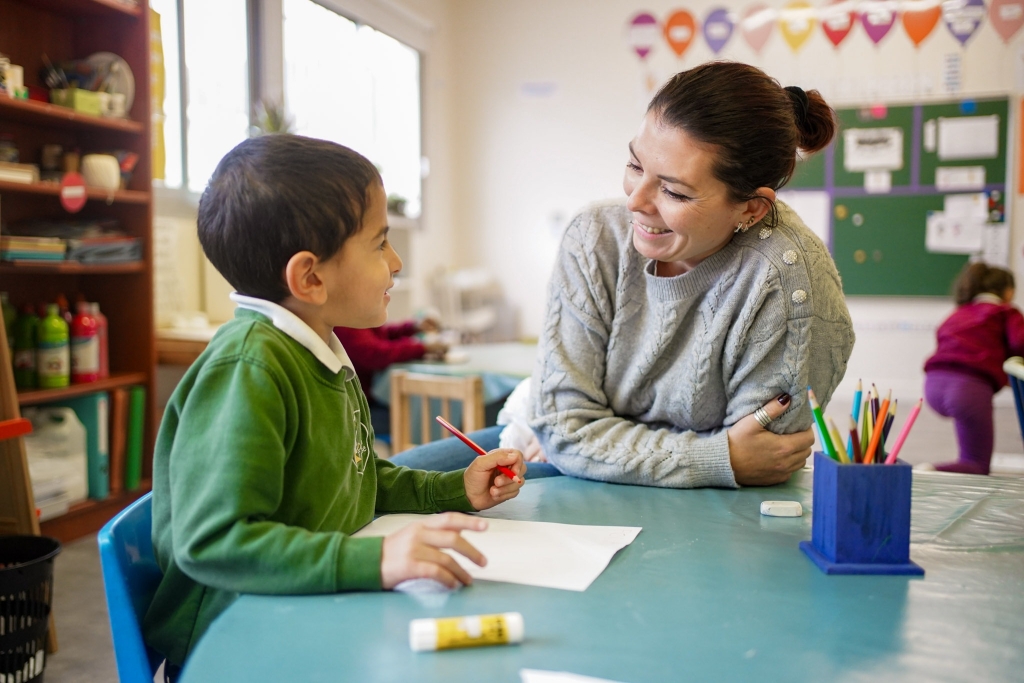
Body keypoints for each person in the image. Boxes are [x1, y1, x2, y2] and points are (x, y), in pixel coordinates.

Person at [143, 135, 525, 677]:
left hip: (306, 604)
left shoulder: (319, 347)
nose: (395, 263)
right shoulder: (250, 369)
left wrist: (453, 488)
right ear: (311, 277)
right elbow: (215, 543)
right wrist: (375, 559)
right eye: (379, 243)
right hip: (240, 641)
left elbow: (357, 481)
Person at [391, 62, 854, 488]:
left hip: (694, 504)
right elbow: (562, 428)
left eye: (673, 190)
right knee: (385, 486)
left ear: (752, 209)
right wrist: (714, 457)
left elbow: (761, 461)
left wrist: (591, 442)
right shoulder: (595, 236)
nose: (635, 201)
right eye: (635, 165)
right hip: (569, 460)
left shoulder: (790, 280)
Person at [922, 262, 1024, 474]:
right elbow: (1020, 342)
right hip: (967, 389)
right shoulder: (1005, 311)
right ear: (1008, 291)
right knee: (976, 463)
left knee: (970, 455)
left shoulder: (959, 313)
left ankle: (929, 471)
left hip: (933, 385)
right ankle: (929, 471)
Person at [334, 318, 448, 436]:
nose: (386, 298)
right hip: (360, 409)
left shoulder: (355, 320)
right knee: (424, 417)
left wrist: (412, 327)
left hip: (367, 401)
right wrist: (422, 348)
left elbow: (383, 335)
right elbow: (375, 354)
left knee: (428, 413)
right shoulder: (344, 322)